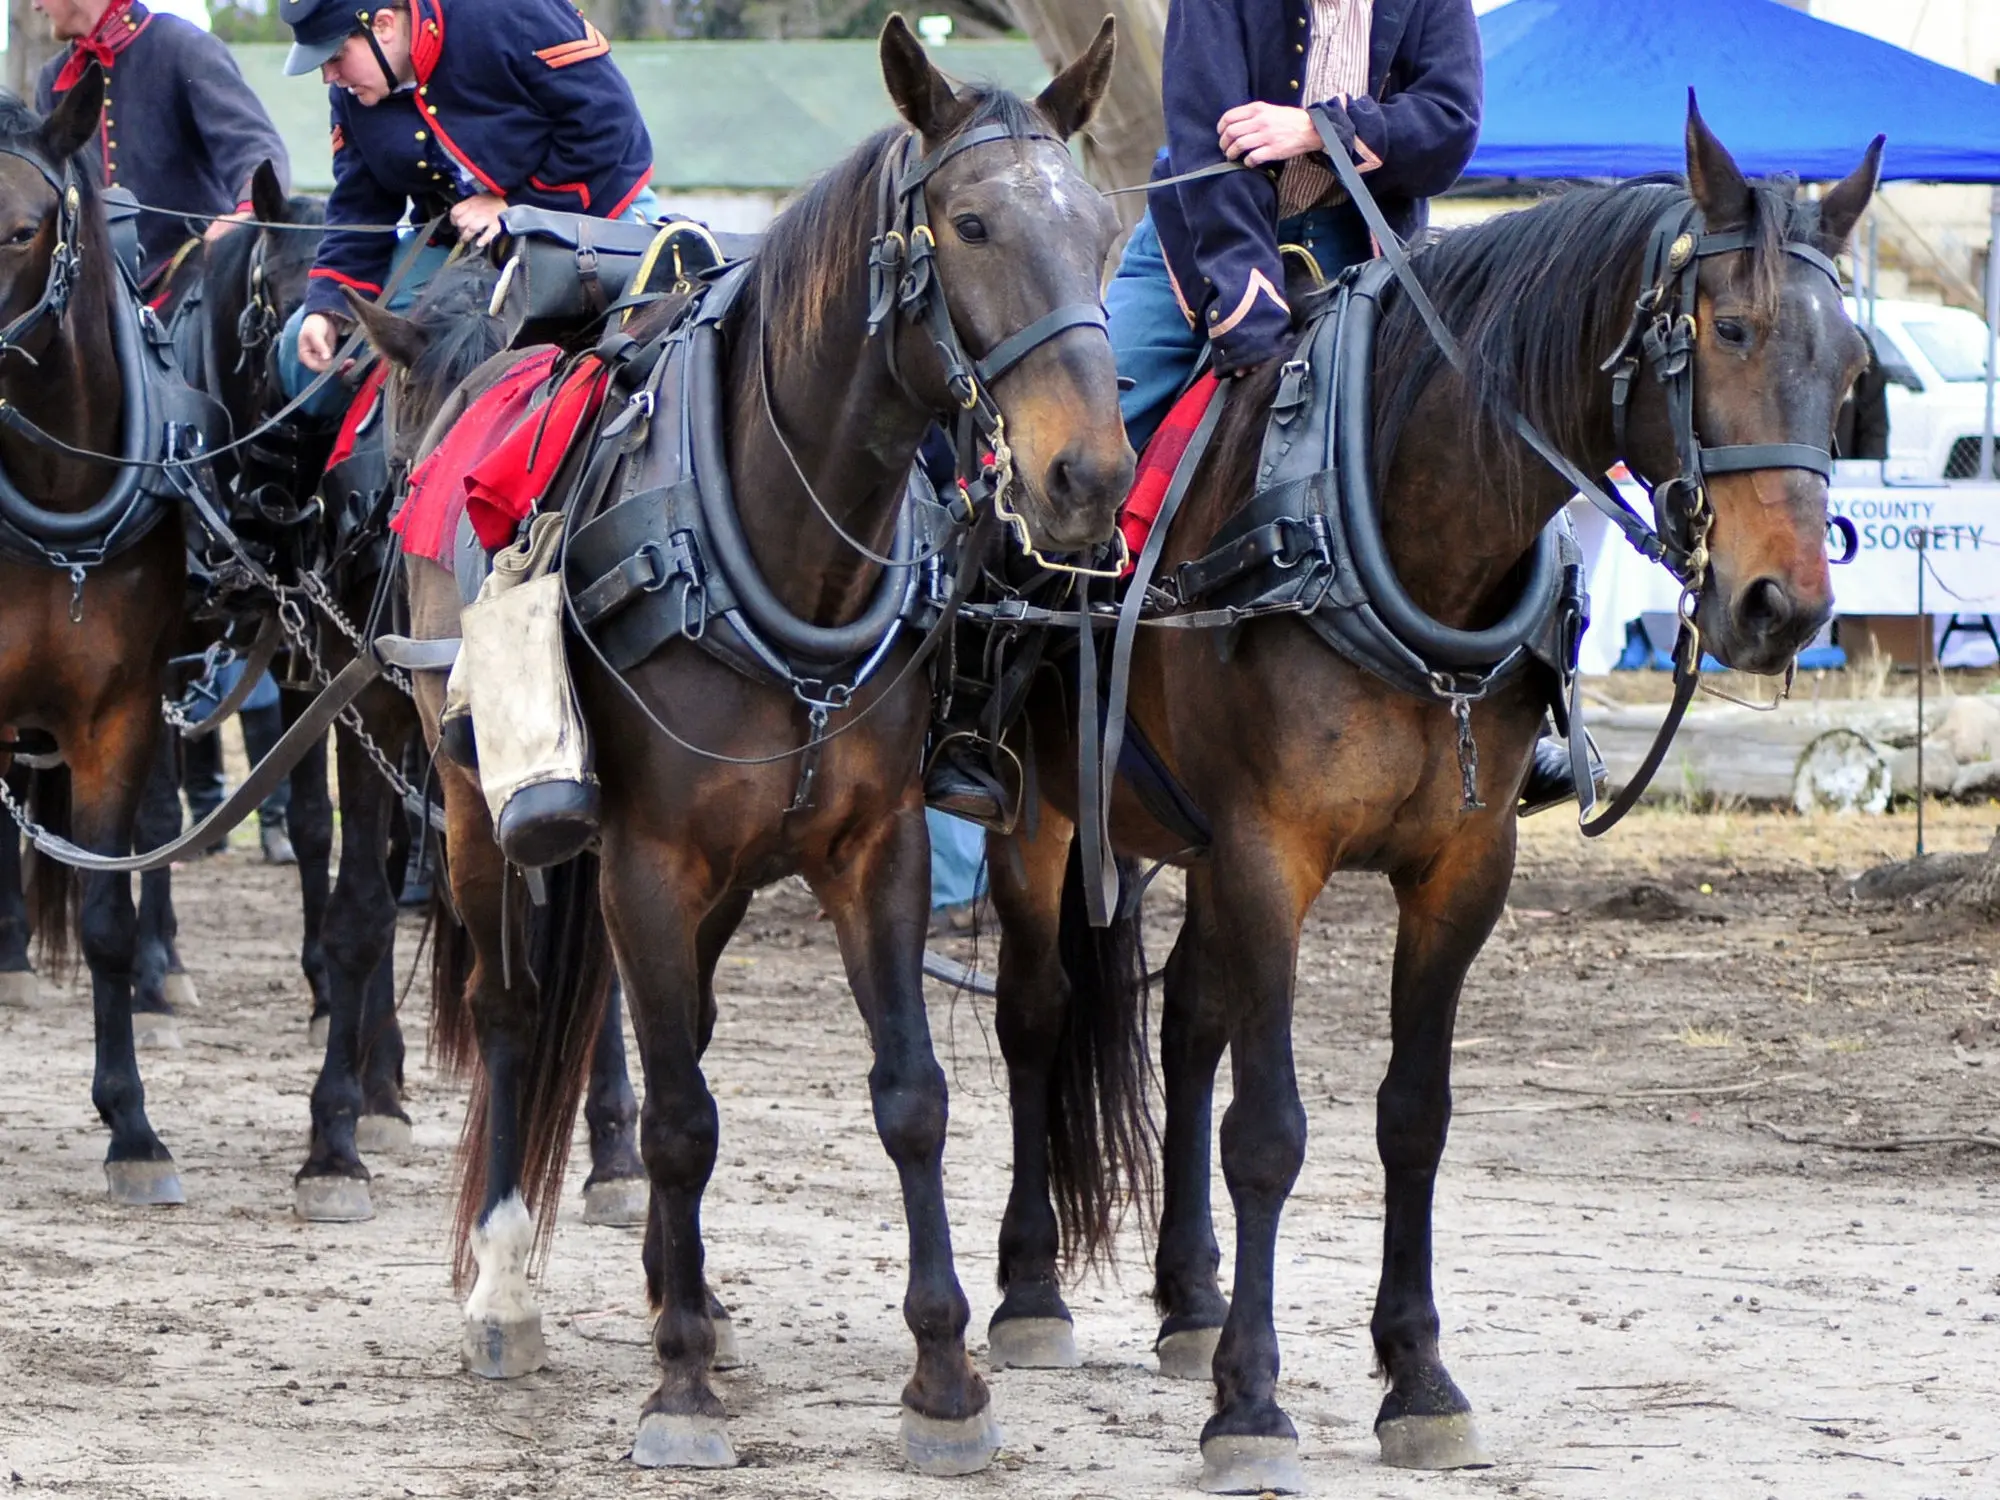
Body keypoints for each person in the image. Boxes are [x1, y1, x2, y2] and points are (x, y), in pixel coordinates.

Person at [1111, 0, 1482, 452]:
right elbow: (1209, 146)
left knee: (1466, 436)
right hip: (1198, 242)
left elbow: (1450, 123)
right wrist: (1250, 312)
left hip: (1357, 258)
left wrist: (1321, 130)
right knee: (1090, 440)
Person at [274, 0, 659, 413]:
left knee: (657, 330)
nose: (328, 76)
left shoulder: (504, 11)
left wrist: (516, 206)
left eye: (334, 57)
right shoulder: (353, 92)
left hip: (590, 209)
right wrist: (327, 307)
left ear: (383, 25)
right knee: (303, 358)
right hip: (460, 244)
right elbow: (359, 204)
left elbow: (606, 120)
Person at [35, 0, 291, 286]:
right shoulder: (52, 79)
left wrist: (246, 211)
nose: (34, 6)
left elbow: (255, 148)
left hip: (192, 281)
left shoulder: (182, 45)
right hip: (99, 293)